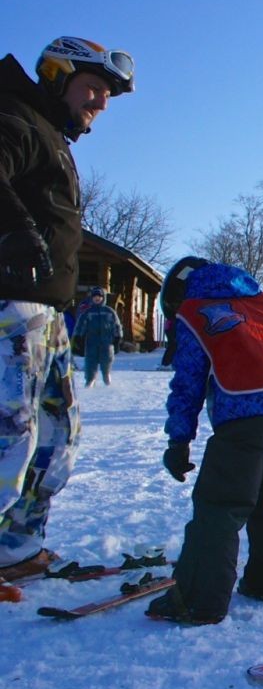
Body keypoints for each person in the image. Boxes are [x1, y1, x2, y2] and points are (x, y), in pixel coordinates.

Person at [0, 37, 133, 582]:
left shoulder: (51, 136)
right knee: (12, 435)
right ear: (55, 76)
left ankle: (15, 547)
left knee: (58, 438)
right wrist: (15, 229)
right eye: (93, 89)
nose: (99, 103)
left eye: (106, 97)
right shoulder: (17, 118)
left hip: (48, 313)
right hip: (11, 308)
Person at [146, 257, 263, 625]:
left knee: (219, 508)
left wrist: (178, 441)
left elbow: (188, 383)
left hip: (244, 415)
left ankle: (198, 601)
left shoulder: (195, 311)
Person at [75, 285, 121, 387]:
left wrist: (117, 338)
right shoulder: (88, 312)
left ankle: (107, 379)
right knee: (91, 363)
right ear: (92, 298)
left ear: (103, 297)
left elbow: (116, 326)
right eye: (95, 296)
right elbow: (80, 326)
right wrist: (79, 338)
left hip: (106, 343)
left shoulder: (109, 312)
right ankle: (90, 381)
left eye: (99, 296)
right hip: (91, 342)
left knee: (106, 362)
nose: (97, 298)